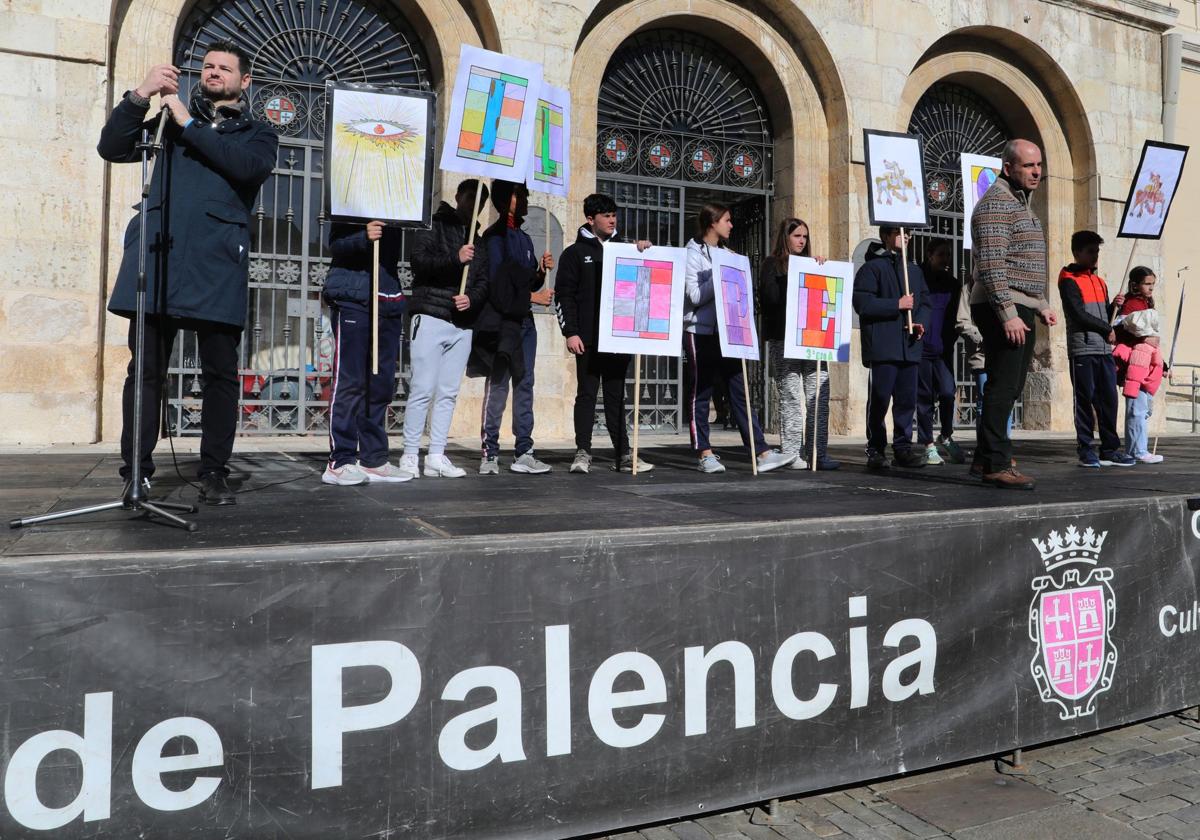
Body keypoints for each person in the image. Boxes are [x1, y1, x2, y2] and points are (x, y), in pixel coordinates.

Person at [98, 40, 278, 504]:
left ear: (245, 80)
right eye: (208, 67)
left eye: (225, 68)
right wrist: (140, 96)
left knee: (220, 373)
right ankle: (135, 471)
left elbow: (246, 169)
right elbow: (112, 147)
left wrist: (190, 124)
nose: (214, 72)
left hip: (217, 264)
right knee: (146, 373)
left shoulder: (258, 134)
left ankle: (213, 469)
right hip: (160, 258)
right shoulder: (165, 121)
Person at [969, 138, 1058, 490]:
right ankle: (996, 463)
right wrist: (1007, 313)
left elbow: (1023, 267)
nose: (1036, 172)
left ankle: (983, 456)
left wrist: (1041, 304)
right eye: (1028, 166)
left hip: (1019, 305)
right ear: (1008, 168)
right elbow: (991, 266)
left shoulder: (1020, 204)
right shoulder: (996, 204)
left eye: (1038, 166)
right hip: (999, 305)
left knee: (1012, 384)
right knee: (1003, 385)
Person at [683, 203, 795, 474]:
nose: (731, 225)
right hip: (700, 332)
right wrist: (720, 275)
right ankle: (704, 453)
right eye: (727, 221)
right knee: (701, 392)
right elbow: (694, 296)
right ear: (713, 223)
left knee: (740, 390)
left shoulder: (727, 253)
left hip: (729, 333)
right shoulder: (691, 252)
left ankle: (760, 450)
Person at [397, 179, 491, 478]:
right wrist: (456, 257)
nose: (473, 204)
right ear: (458, 197)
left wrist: (471, 298)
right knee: (423, 389)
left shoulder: (479, 239)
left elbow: (483, 282)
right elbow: (420, 262)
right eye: (470, 197)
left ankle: (436, 453)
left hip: (461, 324)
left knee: (449, 393)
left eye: (481, 200)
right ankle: (410, 454)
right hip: (431, 315)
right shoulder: (435, 225)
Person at [555, 193, 654, 474]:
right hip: (587, 339)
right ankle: (583, 452)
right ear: (590, 219)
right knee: (586, 395)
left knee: (616, 396)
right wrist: (570, 333)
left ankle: (623, 454)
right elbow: (564, 296)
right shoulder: (574, 253)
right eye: (606, 215)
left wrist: (644, 252)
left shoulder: (625, 249)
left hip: (618, 339)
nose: (612, 220)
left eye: (614, 215)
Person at [474, 180, 555, 475]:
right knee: (498, 385)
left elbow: (524, 281)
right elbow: (497, 287)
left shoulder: (523, 238)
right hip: (502, 325)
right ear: (506, 198)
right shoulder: (494, 238)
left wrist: (539, 272)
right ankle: (490, 452)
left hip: (525, 324)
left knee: (525, 384)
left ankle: (524, 450)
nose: (525, 198)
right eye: (520, 193)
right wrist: (532, 296)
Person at [320, 221, 410, 485]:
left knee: (380, 384)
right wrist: (363, 236)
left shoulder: (397, 201)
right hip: (354, 298)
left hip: (387, 299)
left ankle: (373, 459)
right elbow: (335, 242)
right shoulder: (354, 193)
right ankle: (340, 461)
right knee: (350, 381)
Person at [759, 217, 840, 470]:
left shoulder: (813, 264)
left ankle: (818, 453)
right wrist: (792, 278)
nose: (802, 241)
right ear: (786, 237)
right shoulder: (772, 265)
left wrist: (819, 273)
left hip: (814, 338)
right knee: (791, 395)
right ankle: (792, 453)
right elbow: (769, 299)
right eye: (796, 236)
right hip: (784, 338)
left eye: (805, 236)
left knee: (819, 395)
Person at [852, 227, 930, 470]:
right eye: (899, 233)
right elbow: (862, 303)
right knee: (880, 399)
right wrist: (896, 304)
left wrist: (920, 324)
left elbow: (925, 303)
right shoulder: (872, 268)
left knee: (907, 400)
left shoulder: (914, 271)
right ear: (885, 236)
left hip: (909, 345)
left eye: (907, 234)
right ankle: (876, 448)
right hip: (884, 346)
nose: (905, 237)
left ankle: (902, 448)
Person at [1057, 230, 1134, 467]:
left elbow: (1105, 315)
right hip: (1083, 349)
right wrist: (1104, 328)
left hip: (1103, 349)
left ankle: (1110, 448)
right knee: (1085, 400)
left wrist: (1115, 306)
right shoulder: (1068, 279)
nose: (1095, 256)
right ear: (1077, 252)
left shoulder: (1099, 281)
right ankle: (1086, 448)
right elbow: (1078, 314)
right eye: (1090, 251)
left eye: (1097, 251)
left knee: (1108, 400)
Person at [916, 239, 965, 465]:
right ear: (929, 254)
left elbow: (956, 316)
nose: (946, 260)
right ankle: (927, 444)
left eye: (948, 255)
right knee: (924, 398)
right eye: (941, 255)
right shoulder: (918, 279)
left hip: (942, 350)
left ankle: (945, 434)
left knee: (947, 392)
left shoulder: (953, 285)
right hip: (921, 349)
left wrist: (949, 340)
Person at [1114, 267, 1167, 463]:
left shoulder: (1144, 303)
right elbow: (1126, 330)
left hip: (1144, 360)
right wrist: (1146, 338)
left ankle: (1137, 448)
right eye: (1147, 284)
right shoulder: (1131, 304)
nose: (1151, 288)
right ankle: (1137, 450)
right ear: (1136, 285)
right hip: (1135, 361)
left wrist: (1163, 364)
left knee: (1143, 407)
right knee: (1136, 407)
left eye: (1153, 284)